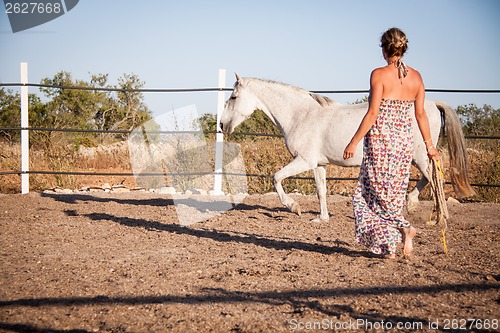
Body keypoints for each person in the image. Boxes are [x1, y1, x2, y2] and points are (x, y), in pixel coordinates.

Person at [343, 27, 439, 259]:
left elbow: (373, 113)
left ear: (384, 49)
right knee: (392, 196)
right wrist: (429, 146)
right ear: (403, 48)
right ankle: (388, 247)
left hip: (381, 142)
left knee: (368, 195)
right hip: (403, 142)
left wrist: (353, 142)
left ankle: (404, 227)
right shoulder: (416, 77)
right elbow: (421, 115)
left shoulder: (378, 74)